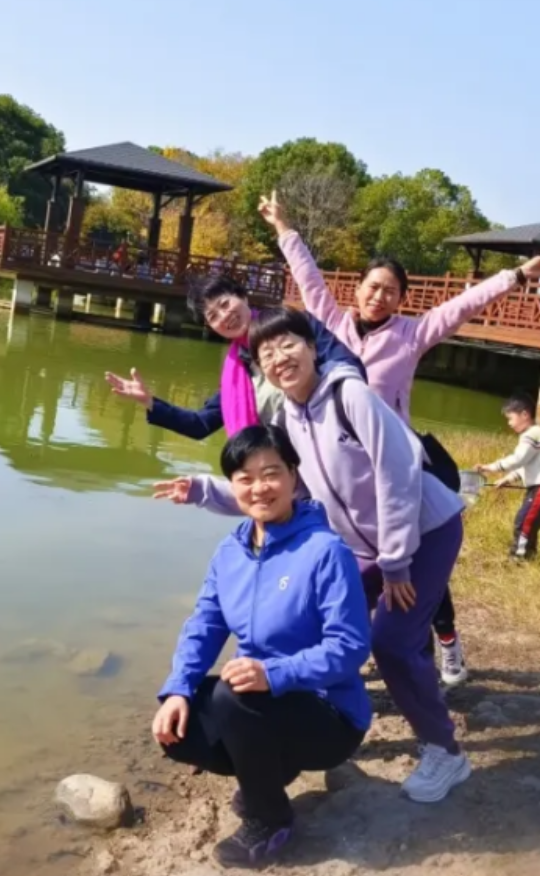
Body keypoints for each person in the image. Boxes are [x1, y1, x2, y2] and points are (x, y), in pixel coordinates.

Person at [157, 309, 472, 805]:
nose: (279, 358)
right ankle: (281, 723)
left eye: (289, 344)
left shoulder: (351, 396)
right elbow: (280, 489)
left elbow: (398, 474)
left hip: (425, 530)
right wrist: (202, 490)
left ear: (312, 347)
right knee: (307, 613)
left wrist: (395, 563)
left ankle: (445, 752)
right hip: (366, 543)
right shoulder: (287, 418)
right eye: (266, 353)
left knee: (391, 643)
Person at [257, 191, 540, 688]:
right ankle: (363, 649)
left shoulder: (411, 335)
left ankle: (447, 644)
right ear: (358, 289)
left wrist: (519, 275)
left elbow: (464, 305)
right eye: (373, 287)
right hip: (345, 467)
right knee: (355, 563)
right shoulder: (332, 327)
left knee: (417, 564)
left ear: (400, 299)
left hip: (396, 464)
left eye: (390, 291)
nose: (379, 297)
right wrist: (282, 227)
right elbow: (309, 279)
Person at [154, 423, 372, 868]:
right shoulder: (229, 552)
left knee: (231, 696)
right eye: (245, 478)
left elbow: (350, 646)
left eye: (271, 473)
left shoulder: (326, 551)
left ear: (293, 475)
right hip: (264, 704)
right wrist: (177, 689)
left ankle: (270, 820)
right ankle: (268, 775)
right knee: (181, 728)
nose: (259, 488)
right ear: (233, 485)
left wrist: (273, 674)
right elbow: (205, 625)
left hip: (329, 714)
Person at [105, 273, 362, 439]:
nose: (224, 316)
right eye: (213, 316)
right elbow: (201, 424)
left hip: (331, 443)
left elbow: (348, 365)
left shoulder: (293, 324)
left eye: (225, 304)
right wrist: (150, 401)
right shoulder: (237, 367)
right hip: (281, 471)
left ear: (243, 296)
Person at [477, 395, 540, 561]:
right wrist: (507, 479)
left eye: (510, 418)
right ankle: (528, 555)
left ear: (524, 415)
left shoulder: (531, 434)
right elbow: (527, 465)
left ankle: (518, 557)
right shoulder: (535, 433)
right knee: (529, 521)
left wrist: (491, 467)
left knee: (524, 521)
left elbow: (518, 459)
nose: (509, 423)